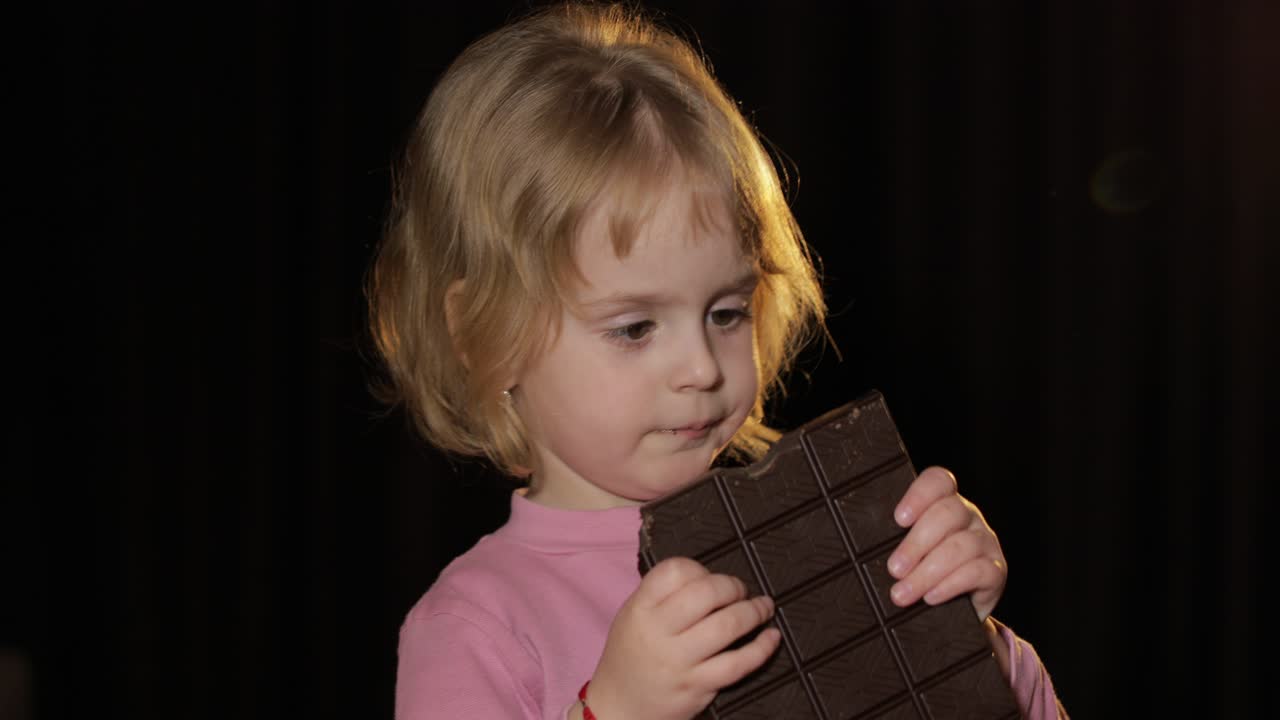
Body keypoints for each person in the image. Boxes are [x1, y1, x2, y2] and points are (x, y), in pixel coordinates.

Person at [368, 3, 1066, 718]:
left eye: (726, 313)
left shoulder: (825, 546)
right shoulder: (478, 625)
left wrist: (969, 645)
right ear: (484, 333)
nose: (701, 366)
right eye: (635, 327)